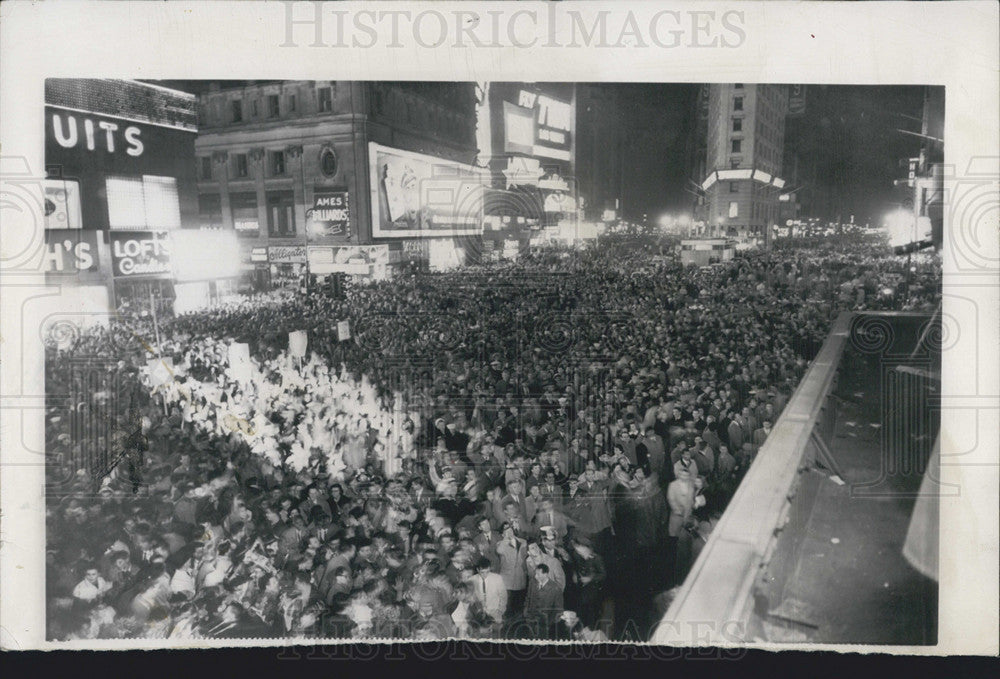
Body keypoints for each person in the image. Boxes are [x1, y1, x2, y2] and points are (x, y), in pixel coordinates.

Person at [523, 563, 563, 639]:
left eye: (538, 574)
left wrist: (549, 622)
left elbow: (559, 608)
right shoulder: (532, 582)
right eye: (535, 573)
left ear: (546, 574)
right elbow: (528, 597)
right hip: (530, 618)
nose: (535, 576)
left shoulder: (555, 588)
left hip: (544, 623)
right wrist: (525, 610)